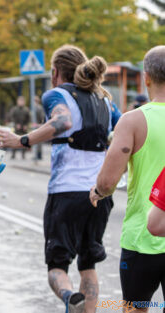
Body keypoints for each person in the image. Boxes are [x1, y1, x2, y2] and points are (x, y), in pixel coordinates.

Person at [0, 45, 116, 313]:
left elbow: (62, 121)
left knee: (57, 267)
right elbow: (122, 133)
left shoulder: (56, 94)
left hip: (66, 193)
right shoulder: (105, 100)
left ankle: (71, 298)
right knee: (88, 265)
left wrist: (21, 140)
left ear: (55, 72)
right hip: (98, 194)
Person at [90, 46, 165, 313]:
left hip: (142, 238)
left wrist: (98, 191)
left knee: (135, 309)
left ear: (146, 78)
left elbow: (108, 182)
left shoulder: (133, 121)